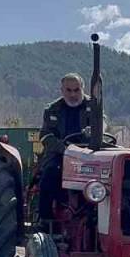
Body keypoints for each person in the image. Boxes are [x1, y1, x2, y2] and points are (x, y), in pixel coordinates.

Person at [36, 73, 95, 227]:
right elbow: (46, 135)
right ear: (62, 90)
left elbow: (103, 122)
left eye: (76, 90)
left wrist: (95, 132)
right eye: (68, 90)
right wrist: (65, 149)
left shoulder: (93, 106)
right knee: (50, 174)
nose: (73, 94)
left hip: (88, 154)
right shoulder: (52, 109)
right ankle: (46, 220)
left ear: (82, 89)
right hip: (60, 154)